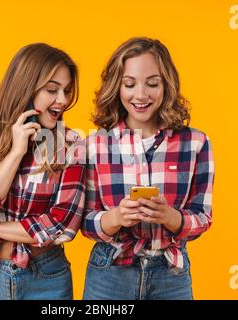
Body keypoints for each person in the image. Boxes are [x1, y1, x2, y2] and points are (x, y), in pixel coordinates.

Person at [81, 37, 214, 300]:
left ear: (167, 85)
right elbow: (83, 220)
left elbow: (203, 216)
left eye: (152, 84)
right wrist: (116, 218)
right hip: (109, 273)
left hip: (171, 274)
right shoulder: (95, 145)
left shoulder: (195, 143)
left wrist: (170, 217)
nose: (141, 95)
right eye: (130, 84)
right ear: (116, 88)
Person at [0, 43, 85, 300]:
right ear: (25, 87)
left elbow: (60, 225)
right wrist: (15, 153)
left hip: (47, 277)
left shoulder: (71, 144)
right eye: (52, 90)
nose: (63, 100)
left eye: (67, 90)